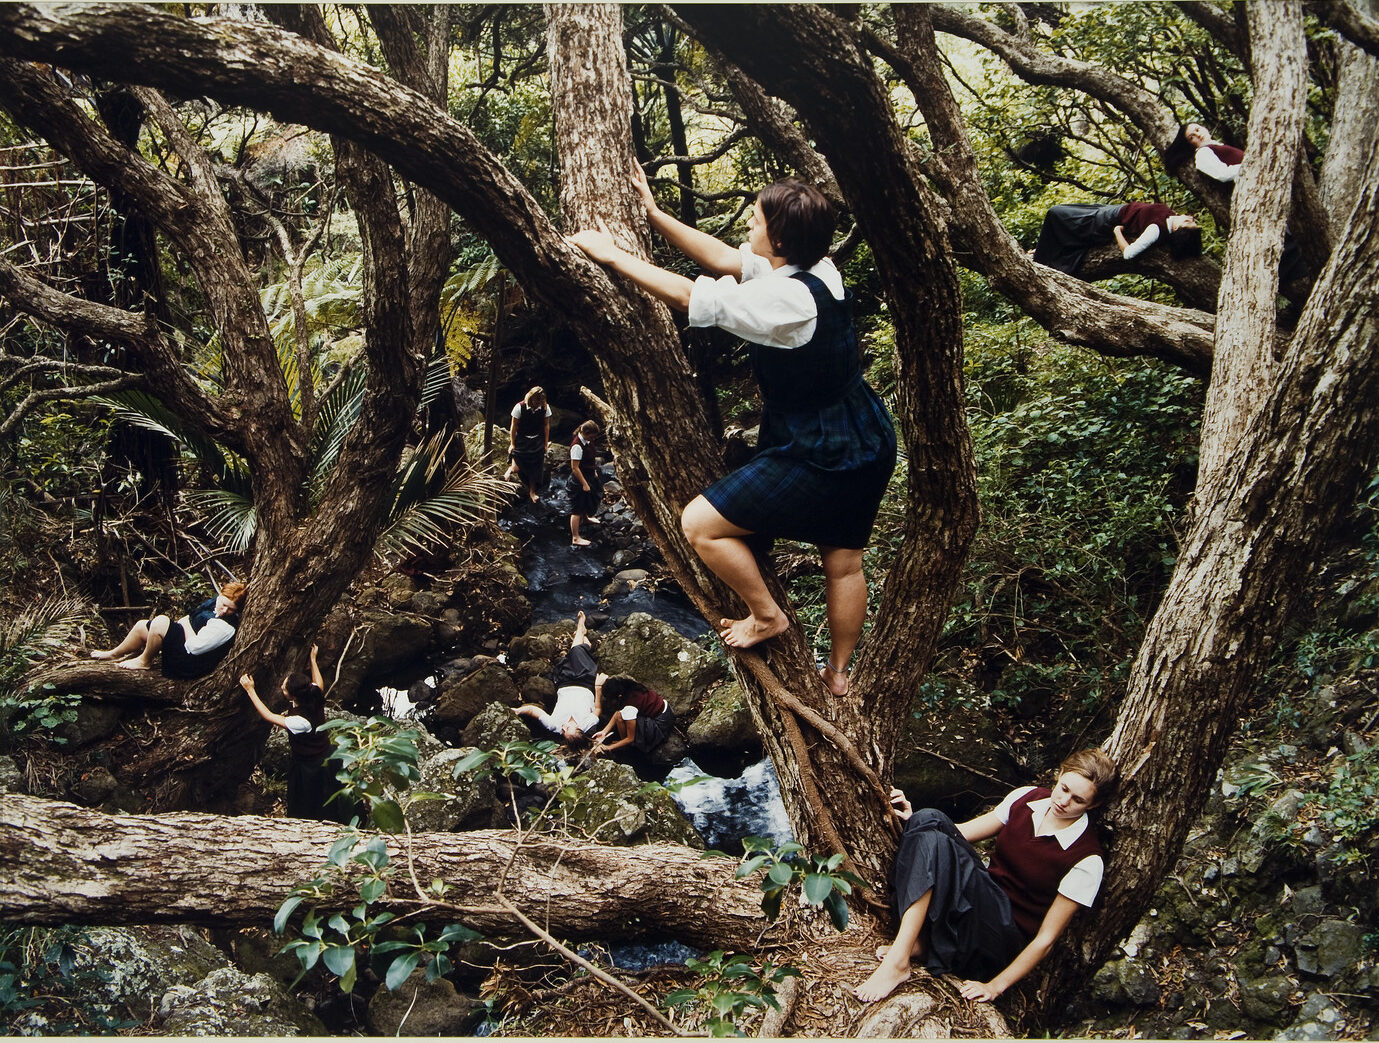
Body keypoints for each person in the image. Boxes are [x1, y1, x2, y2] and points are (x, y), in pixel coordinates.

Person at [568, 168, 897, 695]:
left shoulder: (789, 301)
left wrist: (612, 255)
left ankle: (766, 615)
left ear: (782, 239)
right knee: (843, 561)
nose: (749, 220)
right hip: (863, 430)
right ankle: (838, 675)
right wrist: (654, 215)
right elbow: (726, 259)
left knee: (701, 524)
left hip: (821, 449)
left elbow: (687, 297)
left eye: (757, 217)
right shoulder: (815, 268)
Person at [855, 748, 1119, 1004]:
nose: (1063, 801)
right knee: (928, 818)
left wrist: (996, 986)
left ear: (1093, 804)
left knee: (933, 835)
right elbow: (959, 833)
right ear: (1059, 775)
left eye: (1078, 800)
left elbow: (1046, 939)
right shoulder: (1028, 798)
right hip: (977, 903)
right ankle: (918, 943)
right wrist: (913, 820)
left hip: (999, 937)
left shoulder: (1087, 858)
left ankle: (899, 960)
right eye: (1064, 789)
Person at [239, 645, 351, 822]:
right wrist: (313, 659)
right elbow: (319, 683)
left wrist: (250, 690)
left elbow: (268, 715)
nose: (281, 688)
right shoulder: (313, 695)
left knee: (310, 801)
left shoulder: (299, 721)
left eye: (284, 689)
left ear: (293, 697)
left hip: (312, 763)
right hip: (326, 752)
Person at [91, 579, 247, 678]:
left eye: (231, 609)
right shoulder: (214, 603)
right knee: (141, 626)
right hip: (187, 645)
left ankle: (144, 661)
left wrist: (183, 625)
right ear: (219, 596)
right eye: (224, 604)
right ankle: (113, 653)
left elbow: (194, 648)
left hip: (190, 664)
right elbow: (190, 618)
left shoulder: (224, 627)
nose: (225, 611)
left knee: (160, 623)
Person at [1032, 201, 1202, 277]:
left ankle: (1039, 260)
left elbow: (1129, 254)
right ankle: (1042, 252)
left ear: (1178, 229)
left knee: (1055, 213)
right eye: (1192, 220)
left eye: (1188, 221)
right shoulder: (1170, 217)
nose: (1188, 217)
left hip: (1105, 221)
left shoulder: (1156, 230)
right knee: (1061, 215)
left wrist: (1117, 232)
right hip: (1111, 210)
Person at [514, 610, 603, 749]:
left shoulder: (554, 725)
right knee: (576, 652)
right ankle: (581, 630)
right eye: (567, 729)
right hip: (586, 683)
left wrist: (518, 711)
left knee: (574, 653)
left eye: (563, 732)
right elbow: (597, 709)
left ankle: (583, 636)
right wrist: (598, 688)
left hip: (565, 682)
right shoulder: (587, 724)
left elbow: (532, 711)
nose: (563, 728)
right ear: (580, 729)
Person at [591, 674, 675, 757]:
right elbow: (618, 712)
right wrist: (604, 732)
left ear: (619, 696)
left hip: (661, 723)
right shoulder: (628, 687)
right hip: (667, 710)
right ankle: (623, 742)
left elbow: (630, 738)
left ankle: (626, 746)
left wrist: (609, 747)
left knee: (622, 718)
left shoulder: (630, 706)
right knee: (621, 715)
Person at [505, 385, 552, 503]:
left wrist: (545, 444)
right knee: (516, 468)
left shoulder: (545, 408)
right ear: (532, 398)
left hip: (537, 441)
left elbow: (546, 426)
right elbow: (514, 426)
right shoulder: (519, 407)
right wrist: (512, 443)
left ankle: (532, 492)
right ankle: (510, 470)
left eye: (541, 401)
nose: (539, 404)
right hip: (522, 439)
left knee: (535, 469)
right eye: (537, 401)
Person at [569, 419, 604, 547]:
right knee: (577, 508)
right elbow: (575, 468)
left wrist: (593, 472)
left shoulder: (588, 442)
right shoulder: (577, 446)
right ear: (586, 433)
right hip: (578, 480)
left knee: (588, 500)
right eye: (593, 436)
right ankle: (575, 537)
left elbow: (590, 459)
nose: (594, 438)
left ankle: (586, 519)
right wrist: (584, 483)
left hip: (589, 474)